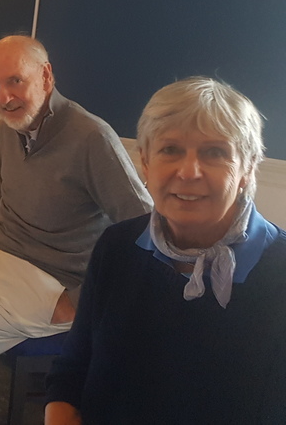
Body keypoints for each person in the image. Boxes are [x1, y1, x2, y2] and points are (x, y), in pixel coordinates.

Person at [45, 77, 286, 424]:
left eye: (215, 152)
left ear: (247, 168)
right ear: (145, 163)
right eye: (170, 150)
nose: (188, 172)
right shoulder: (116, 246)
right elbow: (72, 370)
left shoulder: (279, 272)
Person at [0, 35, 152, 390]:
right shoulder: (9, 126)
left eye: (15, 81)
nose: (4, 98)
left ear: (46, 76)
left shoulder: (92, 138)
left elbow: (146, 231)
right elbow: (1, 190)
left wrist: (81, 300)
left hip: (45, 286)